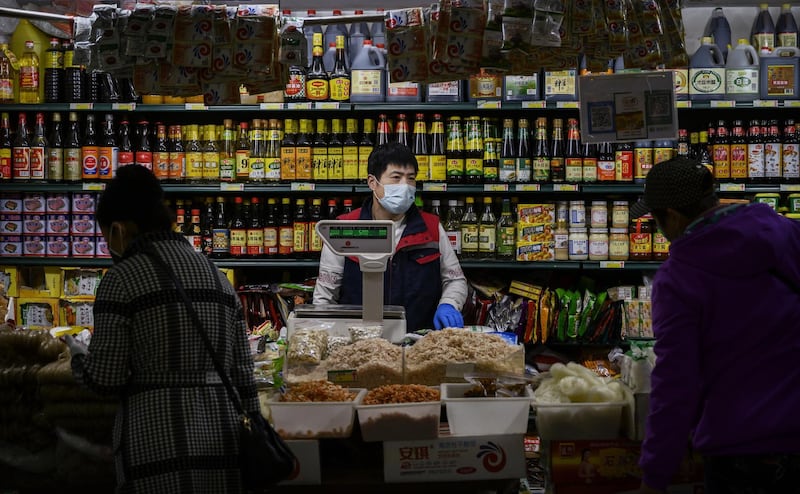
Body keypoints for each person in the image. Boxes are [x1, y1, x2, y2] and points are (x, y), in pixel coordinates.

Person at [63, 165, 259, 493]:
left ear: (119, 229)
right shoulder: (214, 274)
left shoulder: (121, 279)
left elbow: (105, 379)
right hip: (221, 442)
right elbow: (244, 374)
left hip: (155, 440)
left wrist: (76, 358)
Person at [633, 157, 800, 494]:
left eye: (656, 218)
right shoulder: (783, 230)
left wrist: (655, 473)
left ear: (674, 217)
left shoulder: (678, 278)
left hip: (738, 446)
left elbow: (676, 384)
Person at [313, 142, 468, 332]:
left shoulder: (432, 228)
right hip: (357, 344)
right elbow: (325, 294)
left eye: (411, 179)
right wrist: (323, 331)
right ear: (372, 182)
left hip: (418, 342)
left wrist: (449, 303)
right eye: (396, 178)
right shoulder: (345, 227)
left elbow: (454, 279)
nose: (405, 186)